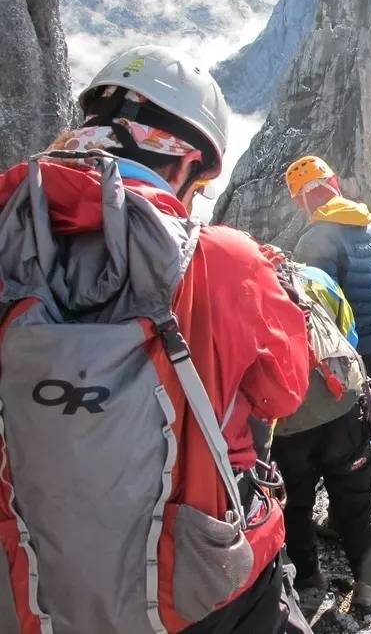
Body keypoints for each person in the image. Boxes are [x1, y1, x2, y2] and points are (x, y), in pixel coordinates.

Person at [0, 45, 313, 634]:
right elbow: (284, 393)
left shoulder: (7, 248)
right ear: (188, 162)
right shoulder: (225, 261)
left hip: (31, 591)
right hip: (203, 588)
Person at [266, 258, 371, 624]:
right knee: (356, 501)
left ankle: (307, 583)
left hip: (285, 423)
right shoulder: (313, 277)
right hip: (345, 405)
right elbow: (347, 333)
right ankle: (368, 587)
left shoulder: (242, 290)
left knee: (295, 506)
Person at [285, 155, 371, 515]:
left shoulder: (316, 240)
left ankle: (358, 518)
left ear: (300, 199)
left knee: (356, 434)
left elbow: (319, 311)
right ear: (333, 183)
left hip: (352, 353)